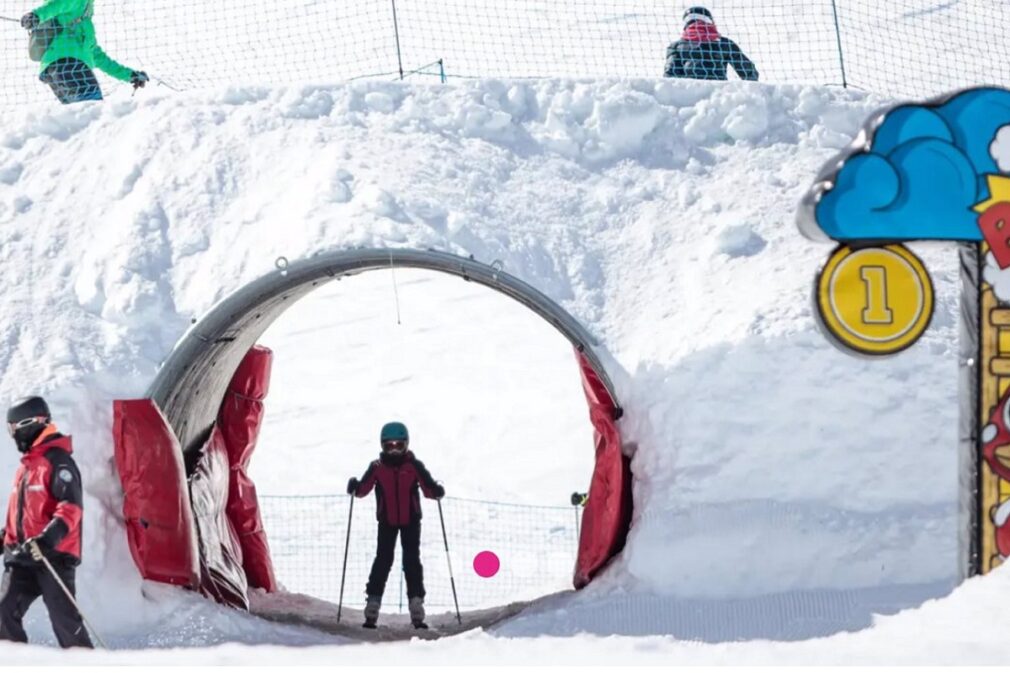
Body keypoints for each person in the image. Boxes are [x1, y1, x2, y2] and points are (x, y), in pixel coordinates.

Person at [0, 396, 92, 648]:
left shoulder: (58, 461)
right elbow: (20, 515)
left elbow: (71, 507)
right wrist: (5, 538)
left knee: (65, 623)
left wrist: (48, 538)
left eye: (13, 428)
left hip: (53, 557)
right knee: (3, 613)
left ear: (30, 424)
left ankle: (87, 665)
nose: (12, 435)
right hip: (22, 557)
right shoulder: (27, 467)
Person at [347, 422, 444, 630]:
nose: (393, 450)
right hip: (387, 522)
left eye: (398, 446)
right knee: (383, 560)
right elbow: (364, 489)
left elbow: (427, 488)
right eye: (389, 446)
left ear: (406, 445)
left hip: (410, 521)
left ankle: (416, 605)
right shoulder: (377, 467)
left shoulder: (413, 466)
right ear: (382, 446)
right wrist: (356, 487)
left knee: (411, 561)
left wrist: (435, 490)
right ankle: (372, 604)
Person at [20, 0, 148, 104]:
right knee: (93, 107)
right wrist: (37, 15)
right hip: (68, 64)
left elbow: (102, 60)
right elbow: (58, 4)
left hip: (57, 71)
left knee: (81, 115)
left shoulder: (85, 26)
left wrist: (130, 75)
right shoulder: (80, 4)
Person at [664, 6, 759, 82]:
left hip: (690, 95)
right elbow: (749, 72)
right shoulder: (725, 44)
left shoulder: (676, 46)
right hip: (719, 93)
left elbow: (670, 76)